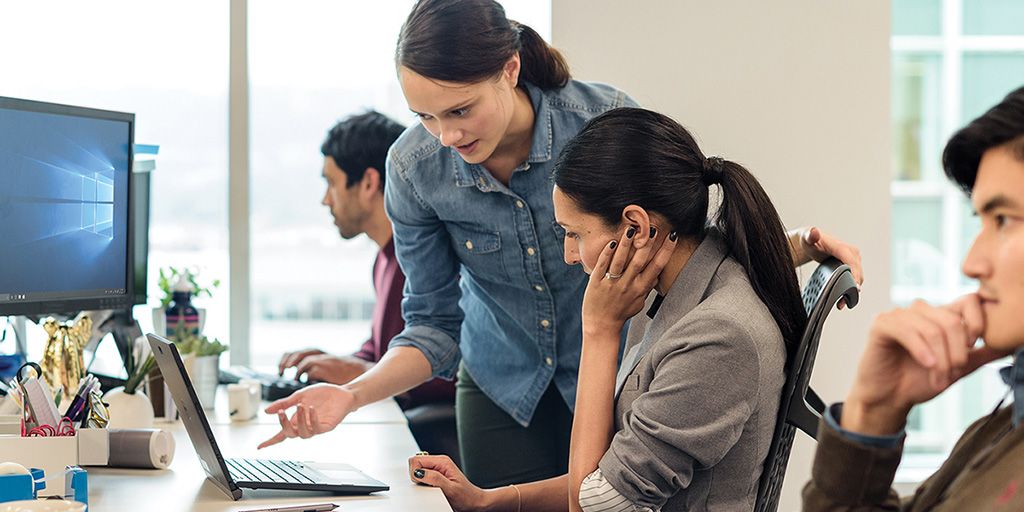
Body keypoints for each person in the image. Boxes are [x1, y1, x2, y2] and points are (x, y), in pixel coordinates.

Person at [258, 0, 862, 490]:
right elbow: (433, 326)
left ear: (510, 70)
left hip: (621, 370)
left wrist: (799, 247)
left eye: (460, 109)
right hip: (501, 385)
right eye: (426, 117)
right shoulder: (414, 170)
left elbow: (681, 248)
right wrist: (352, 394)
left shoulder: (600, 122)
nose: (447, 136)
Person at [402, 107, 807, 511]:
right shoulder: (680, 285)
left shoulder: (718, 335)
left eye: (575, 234)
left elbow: (593, 505)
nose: (569, 255)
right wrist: (487, 502)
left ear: (636, 227)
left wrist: (598, 330)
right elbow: (610, 477)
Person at [802, 87, 1024, 510]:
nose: (972, 263)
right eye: (981, 221)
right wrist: (873, 413)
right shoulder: (998, 429)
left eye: (1003, 219)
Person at [277, 111, 457, 458]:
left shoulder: (423, 264)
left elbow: (455, 372)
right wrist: (336, 362)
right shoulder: (384, 259)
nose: (326, 199)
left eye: (331, 182)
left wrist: (363, 374)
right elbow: (380, 350)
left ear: (369, 182)